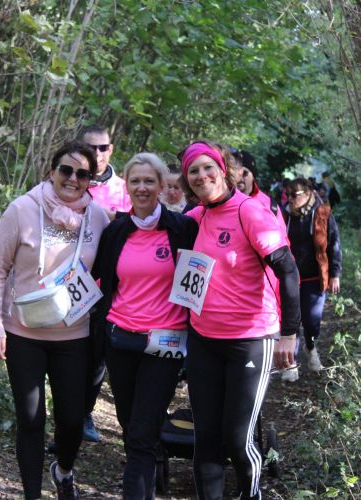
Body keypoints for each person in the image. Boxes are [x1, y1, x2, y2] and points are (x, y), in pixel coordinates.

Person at [0, 141, 109, 499]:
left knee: (72, 419)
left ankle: (63, 470)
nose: (73, 179)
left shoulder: (98, 218)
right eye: (66, 170)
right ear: (51, 171)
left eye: (82, 174)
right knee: (31, 419)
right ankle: (32, 495)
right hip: (23, 333)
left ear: (90, 180)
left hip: (74, 336)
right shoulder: (22, 209)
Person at [180, 141, 301, 500]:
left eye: (208, 167)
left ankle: (252, 494)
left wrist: (289, 334)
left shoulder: (250, 211)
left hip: (250, 339)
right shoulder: (195, 217)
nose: (202, 176)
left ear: (223, 170)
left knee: (237, 438)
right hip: (203, 338)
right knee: (206, 437)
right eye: (193, 171)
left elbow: (288, 270)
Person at [92, 152, 198, 499]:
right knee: (131, 427)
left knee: (141, 432)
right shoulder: (115, 231)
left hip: (165, 344)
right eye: (135, 181)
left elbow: (200, 282)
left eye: (149, 181)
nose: (141, 187)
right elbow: (100, 280)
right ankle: (149, 478)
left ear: (162, 186)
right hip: (121, 341)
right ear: (126, 186)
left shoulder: (182, 229)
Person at [77, 124, 131, 442]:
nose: (96, 153)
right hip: (66, 280)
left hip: (106, 284)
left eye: (102, 147)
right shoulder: (70, 179)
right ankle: (64, 416)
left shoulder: (124, 188)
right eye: (90, 147)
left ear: (111, 150)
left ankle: (85, 413)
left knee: (97, 354)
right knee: (67, 351)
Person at [283, 177, 342, 380]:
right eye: (287, 195)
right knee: (291, 320)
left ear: (308, 194)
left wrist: (335, 274)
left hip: (314, 278)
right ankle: (291, 362)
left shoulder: (322, 212)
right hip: (289, 278)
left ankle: (310, 346)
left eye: (294, 195)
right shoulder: (284, 214)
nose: (290, 199)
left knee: (311, 321)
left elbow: (334, 243)